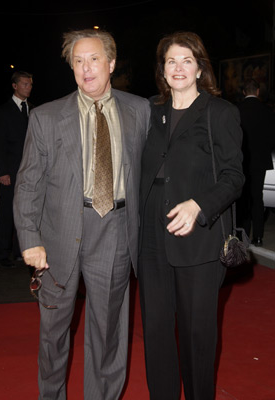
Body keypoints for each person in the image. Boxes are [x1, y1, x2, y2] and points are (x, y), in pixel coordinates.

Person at [13, 29, 150, 400]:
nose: (86, 68)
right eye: (78, 61)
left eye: (93, 59)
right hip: (58, 236)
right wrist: (30, 241)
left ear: (111, 62)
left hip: (115, 231)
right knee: (54, 332)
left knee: (108, 332)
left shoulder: (140, 111)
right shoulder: (45, 117)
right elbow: (28, 185)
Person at [138, 31, 244, 400]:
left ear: (200, 68)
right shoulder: (149, 112)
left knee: (198, 335)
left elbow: (234, 177)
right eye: (171, 61)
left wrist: (199, 204)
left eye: (187, 61)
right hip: (151, 238)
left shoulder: (220, 113)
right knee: (156, 331)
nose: (178, 68)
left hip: (198, 238)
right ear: (162, 69)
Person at [0, 70, 33, 267]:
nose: (29, 87)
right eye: (25, 84)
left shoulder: (32, 110)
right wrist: (2, 172)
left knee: (24, 212)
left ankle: (19, 251)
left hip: (29, 171)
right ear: (15, 86)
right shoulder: (4, 110)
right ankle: (1, 253)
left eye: (30, 84)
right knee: (6, 213)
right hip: (10, 171)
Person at [237, 78, 275, 246]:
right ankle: (258, 236)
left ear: (244, 92)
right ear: (257, 91)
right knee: (257, 198)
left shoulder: (236, 110)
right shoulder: (267, 112)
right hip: (260, 161)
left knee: (243, 199)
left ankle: (242, 235)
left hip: (241, 162)